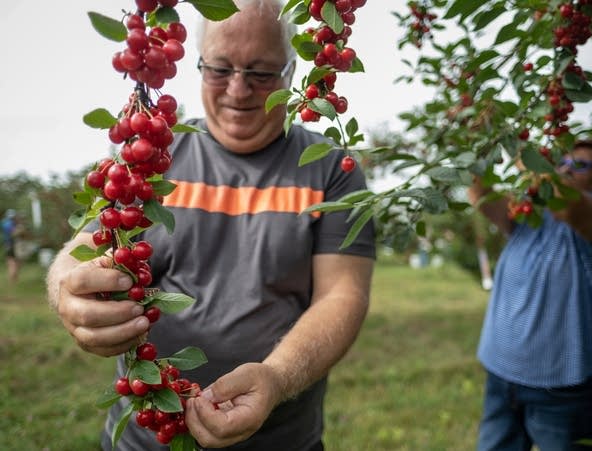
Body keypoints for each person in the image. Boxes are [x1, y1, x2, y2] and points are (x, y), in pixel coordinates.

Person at [46, 1, 376, 450]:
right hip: (147, 437)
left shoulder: (331, 168)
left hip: (281, 440)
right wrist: (65, 285)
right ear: (197, 65)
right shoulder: (148, 156)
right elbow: (86, 244)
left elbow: (343, 295)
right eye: (220, 69)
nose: (238, 90)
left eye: (261, 73)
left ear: (291, 73)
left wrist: (276, 378)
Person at [468, 139, 592, 451]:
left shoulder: (591, 214)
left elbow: (568, 204)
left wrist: (521, 150)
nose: (566, 168)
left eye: (580, 164)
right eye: (562, 161)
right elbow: (480, 194)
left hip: (562, 387)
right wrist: (479, 140)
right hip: (501, 374)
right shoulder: (530, 215)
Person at [2, 208, 20, 283]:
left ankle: (13, 277)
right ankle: (13, 278)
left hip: (7, 244)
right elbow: (13, 233)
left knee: (11, 261)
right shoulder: (11, 223)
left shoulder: (4, 222)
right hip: (12, 244)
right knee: (13, 261)